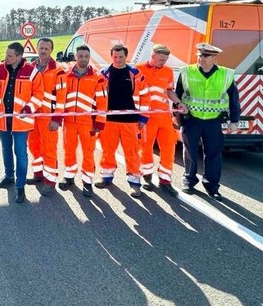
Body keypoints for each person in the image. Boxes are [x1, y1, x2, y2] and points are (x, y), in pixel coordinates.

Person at [176, 42, 240, 200]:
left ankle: (212, 186)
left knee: (213, 154)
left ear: (214, 58)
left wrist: (234, 121)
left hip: (213, 121)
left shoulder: (226, 75)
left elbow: (234, 100)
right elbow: (177, 96)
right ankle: (189, 181)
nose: (201, 59)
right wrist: (177, 115)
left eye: (205, 56)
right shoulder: (186, 72)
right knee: (190, 151)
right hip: (191, 119)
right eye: (199, 55)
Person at [95, 44, 149, 198]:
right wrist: (98, 119)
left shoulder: (135, 73)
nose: (118, 60)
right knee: (107, 151)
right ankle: (106, 176)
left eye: (121, 57)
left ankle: (134, 183)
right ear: (111, 57)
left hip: (130, 121)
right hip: (109, 121)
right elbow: (97, 98)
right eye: (115, 57)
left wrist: (143, 118)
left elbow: (145, 96)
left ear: (126, 56)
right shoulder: (104, 74)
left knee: (132, 153)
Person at [0, 42, 44, 203]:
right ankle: (9, 176)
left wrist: (29, 108)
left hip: (21, 121)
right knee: (5, 148)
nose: (5, 58)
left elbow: (39, 94)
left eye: (9, 55)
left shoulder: (32, 72)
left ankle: (20, 185)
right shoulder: (0, 69)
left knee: (20, 152)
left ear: (19, 57)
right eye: (6, 54)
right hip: (3, 119)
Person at [136, 44, 182, 196]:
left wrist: (178, 103)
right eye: (161, 59)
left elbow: (169, 91)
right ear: (153, 55)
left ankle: (165, 180)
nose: (163, 63)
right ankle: (146, 176)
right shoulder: (138, 69)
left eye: (165, 60)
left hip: (164, 116)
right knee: (146, 147)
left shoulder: (168, 71)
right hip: (147, 117)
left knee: (169, 148)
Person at [61, 45, 104, 197]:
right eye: (80, 56)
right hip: (69, 122)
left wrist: (100, 121)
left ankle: (87, 182)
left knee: (88, 152)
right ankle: (69, 177)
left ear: (89, 57)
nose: (83, 59)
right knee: (69, 150)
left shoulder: (98, 77)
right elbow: (61, 98)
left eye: (86, 56)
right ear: (75, 57)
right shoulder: (66, 74)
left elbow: (103, 101)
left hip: (88, 123)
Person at [26, 38, 66, 196]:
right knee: (33, 146)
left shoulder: (58, 70)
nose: (43, 51)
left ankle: (50, 181)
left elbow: (62, 97)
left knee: (49, 149)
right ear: (37, 48)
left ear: (51, 50)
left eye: (46, 49)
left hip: (48, 117)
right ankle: (38, 174)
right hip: (32, 116)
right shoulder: (30, 67)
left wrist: (57, 119)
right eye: (41, 48)